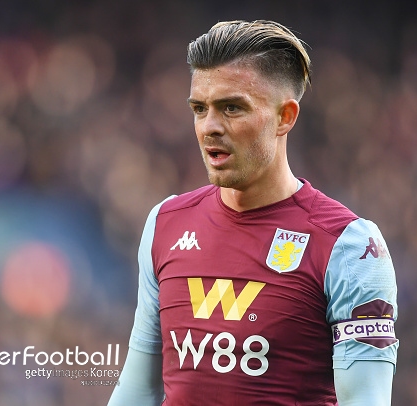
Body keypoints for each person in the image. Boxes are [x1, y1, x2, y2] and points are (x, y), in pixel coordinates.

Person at [108, 19, 398, 406]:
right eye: (199, 109)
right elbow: (138, 390)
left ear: (285, 117)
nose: (209, 127)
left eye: (232, 108)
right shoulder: (165, 223)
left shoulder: (350, 247)